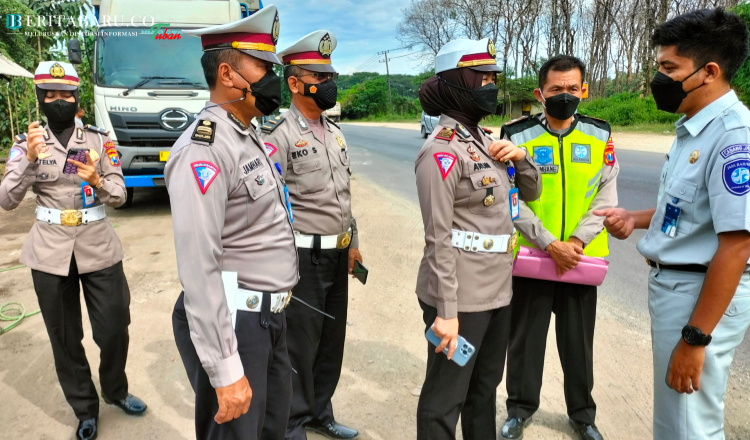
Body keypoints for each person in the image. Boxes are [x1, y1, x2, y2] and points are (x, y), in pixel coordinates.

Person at [595, 8, 750, 439]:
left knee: (688, 426)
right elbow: (690, 212)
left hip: (697, 296)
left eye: (669, 67)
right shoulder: (693, 129)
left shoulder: (733, 137)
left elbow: (737, 245)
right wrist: (636, 217)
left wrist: (695, 339)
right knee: (675, 419)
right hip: (678, 289)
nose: (658, 77)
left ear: (709, 71)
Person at [165, 6, 299, 440]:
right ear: (228, 74)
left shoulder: (248, 134)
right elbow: (199, 266)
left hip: (269, 321)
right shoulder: (203, 149)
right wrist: (224, 369)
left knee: (270, 430)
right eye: (263, 68)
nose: (273, 78)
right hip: (239, 326)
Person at [0, 60, 146, 440]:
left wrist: (97, 179)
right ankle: (85, 408)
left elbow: (119, 195)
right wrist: (30, 162)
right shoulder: (26, 143)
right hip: (49, 251)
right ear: (41, 98)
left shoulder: (98, 140)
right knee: (65, 337)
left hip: (98, 245)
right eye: (51, 94)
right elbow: (7, 200)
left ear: (75, 97)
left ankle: (116, 390)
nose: (59, 100)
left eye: (66, 94)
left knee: (115, 327)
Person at [415, 38, 542, 440]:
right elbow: (438, 238)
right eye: (481, 76)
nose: (491, 84)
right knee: (446, 396)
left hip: (497, 291)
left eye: (493, 77)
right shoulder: (441, 152)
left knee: (484, 391)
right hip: (461, 298)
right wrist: (447, 312)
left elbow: (527, 197)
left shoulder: (486, 141)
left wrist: (521, 159)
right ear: (457, 82)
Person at [499, 55, 619, 440]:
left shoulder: (600, 135)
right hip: (533, 258)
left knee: (579, 345)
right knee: (524, 341)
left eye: (572, 89)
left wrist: (575, 242)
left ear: (583, 90)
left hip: (580, 260)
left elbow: (605, 194)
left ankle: (583, 416)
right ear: (540, 93)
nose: (564, 96)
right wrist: (551, 244)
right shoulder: (516, 136)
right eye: (555, 90)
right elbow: (510, 200)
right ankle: (518, 410)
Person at [261, 30, 361, 440]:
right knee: (300, 345)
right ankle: (293, 421)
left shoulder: (335, 132)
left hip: (337, 255)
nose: (330, 82)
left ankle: (321, 411)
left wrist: (354, 242)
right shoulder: (278, 134)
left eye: (332, 73)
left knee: (331, 341)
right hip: (303, 258)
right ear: (295, 82)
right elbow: (268, 204)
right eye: (320, 74)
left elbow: (344, 196)